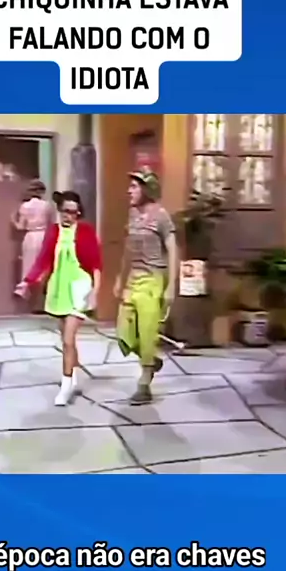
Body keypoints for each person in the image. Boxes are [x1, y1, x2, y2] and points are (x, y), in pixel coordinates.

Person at [15, 190, 102, 406]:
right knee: (67, 340)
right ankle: (74, 375)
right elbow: (43, 260)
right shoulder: (53, 232)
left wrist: (95, 292)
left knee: (68, 340)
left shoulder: (86, 231)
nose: (68, 215)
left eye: (73, 212)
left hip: (80, 287)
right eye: (65, 211)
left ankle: (66, 385)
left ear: (79, 212)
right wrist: (28, 281)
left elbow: (96, 264)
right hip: (59, 288)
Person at [113, 169, 178, 404]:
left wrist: (171, 287)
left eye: (134, 186)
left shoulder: (161, 216)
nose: (129, 191)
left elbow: (173, 250)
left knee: (148, 331)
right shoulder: (132, 215)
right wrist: (120, 278)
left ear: (146, 189)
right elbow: (128, 249)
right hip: (133, 279)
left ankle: (145, 383)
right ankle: (151, 360)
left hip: (153, 280)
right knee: (124, 334)